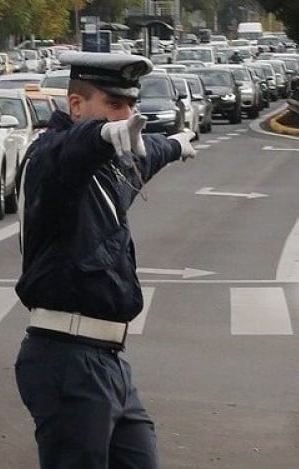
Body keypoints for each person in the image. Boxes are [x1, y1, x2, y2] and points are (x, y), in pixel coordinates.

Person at [13, 51, 196, 468]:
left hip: (108, 360)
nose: (126, 114)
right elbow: (71, 150)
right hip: (66, 360)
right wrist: (98, 136)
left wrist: (172, 145)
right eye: (114, 104)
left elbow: (142, 154)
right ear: (76, 106)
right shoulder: (51, 160)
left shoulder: (110, 168)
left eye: (131, 104)